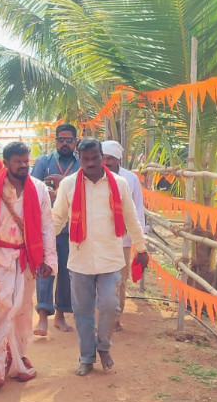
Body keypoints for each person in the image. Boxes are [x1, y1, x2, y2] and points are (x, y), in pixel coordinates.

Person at [51, 138, 149, 376]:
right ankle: (86, 357)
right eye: (85, 159)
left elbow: (131, 218)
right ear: (80, 159)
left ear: (102, 157)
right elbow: (57, 219)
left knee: (110, 305)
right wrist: (41, 248)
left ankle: (103, 346)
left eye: (95, 158)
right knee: (82, 312)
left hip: (110, 258)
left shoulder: (119, 184)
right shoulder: (68, 185)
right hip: (80, 259)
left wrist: (142, 248)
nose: (91, 163)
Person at [0, 141, 57, 391]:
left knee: (21, 313)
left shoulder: (39, 189)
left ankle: (16, 357)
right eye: (18, 161)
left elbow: (47, 227)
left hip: (27, 259)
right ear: (6, 162)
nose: (23, 165)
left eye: (26, 161)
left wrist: (48, 261)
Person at [31, 123, 79, 334]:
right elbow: (32, 187)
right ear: (56, 141)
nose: (65, 144)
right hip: (46, 226)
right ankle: (42, 317)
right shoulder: (44, 162)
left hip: (72, 227)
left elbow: (85, 190)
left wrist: (63, 186)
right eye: (61, 140)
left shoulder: (82, 164)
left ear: (75, 141)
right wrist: (46, 193)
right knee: (45, 269)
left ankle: (60, 316)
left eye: (69, 140)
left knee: (67, 273)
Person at [100, 140, 147, 332]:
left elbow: (137, 209)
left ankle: (115, 317)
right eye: (103, 158)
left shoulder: (130, 179)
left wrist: (140, 242)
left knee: (120, 279)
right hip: (99, 238)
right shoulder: (95, 176)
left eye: (110, 158)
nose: (106, 162)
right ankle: (102, 315)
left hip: (123, 240)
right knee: (100, 277)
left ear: (118, 159)